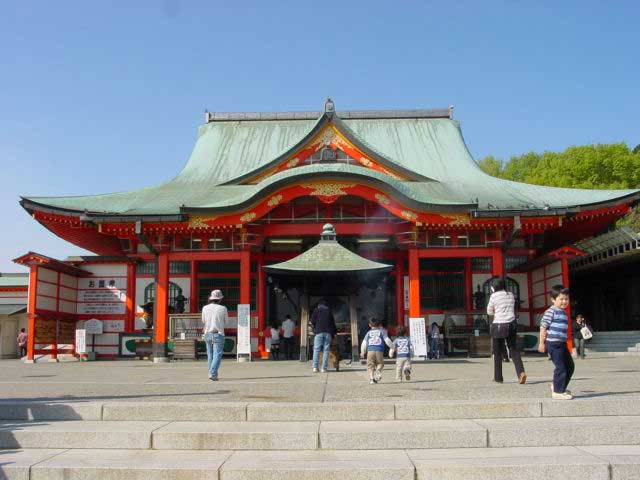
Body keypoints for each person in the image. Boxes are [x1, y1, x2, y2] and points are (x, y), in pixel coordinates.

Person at [487, 278, 526, 385]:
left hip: (499, 324)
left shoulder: (494, 296)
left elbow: (489, 311)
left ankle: (498, 377)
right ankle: (521, 372)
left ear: (494, 287)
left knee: (497, 352)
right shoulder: (511, 295)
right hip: (512, 324)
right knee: (513, 349)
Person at [538, 284, 574, 400]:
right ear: (553, 300)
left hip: (562, 344)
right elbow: (543, 327)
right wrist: (541, 343)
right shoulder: (551, 311)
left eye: (566, 299)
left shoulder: (563, 312)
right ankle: (557, 392)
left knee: (570, 366)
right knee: (561, 367)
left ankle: (559, 386)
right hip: (553, 344)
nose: (564, 302)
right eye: (561, 299)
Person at [201, 289, 228, 381]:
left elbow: (203, 321)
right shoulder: (223, 308)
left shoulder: (205, 308)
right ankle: (212, 373)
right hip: (218, 333)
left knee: (210, 354)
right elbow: (226, 322)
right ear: (220, 299)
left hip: (207, 333)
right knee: (217, 354)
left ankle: (212, 373)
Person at [360, 318, 394, 384]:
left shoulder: (368, 333)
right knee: (380, 363)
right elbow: (387, 340)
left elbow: (364, 343)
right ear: (379, 325)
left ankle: (372, 379)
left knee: (370, 365)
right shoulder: (381, 332)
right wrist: (392, 347)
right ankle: (378, 370)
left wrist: (362, 352)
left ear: (369, 325)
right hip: (379, 350)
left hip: (370, 351)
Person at [311, 299, 337, 373]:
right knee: (326, 350)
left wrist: (316, 325)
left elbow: (312, 321)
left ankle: (315, 368)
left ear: (319, 305)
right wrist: (335, 333)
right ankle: (324, 368)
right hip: (328, 332)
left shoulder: (316, 310)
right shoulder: (329, 311)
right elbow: (333, 323)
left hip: (319, 332)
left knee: (316, 350)